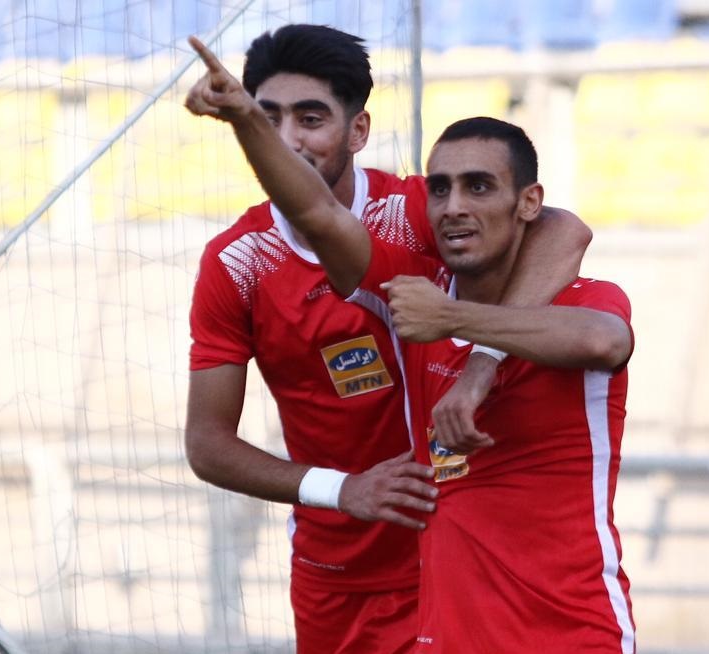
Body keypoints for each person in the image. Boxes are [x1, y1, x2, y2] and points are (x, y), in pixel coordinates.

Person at [186, 35, 636, 654]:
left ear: (358, 130)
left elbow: (562, 233)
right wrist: (341, 488)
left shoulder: (418, 213)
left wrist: (476, 356)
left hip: (458, 564)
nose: (289, 139)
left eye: (310, 119)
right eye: (270, 119)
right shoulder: (239, 264)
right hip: (345, 569)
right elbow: (207, 445)